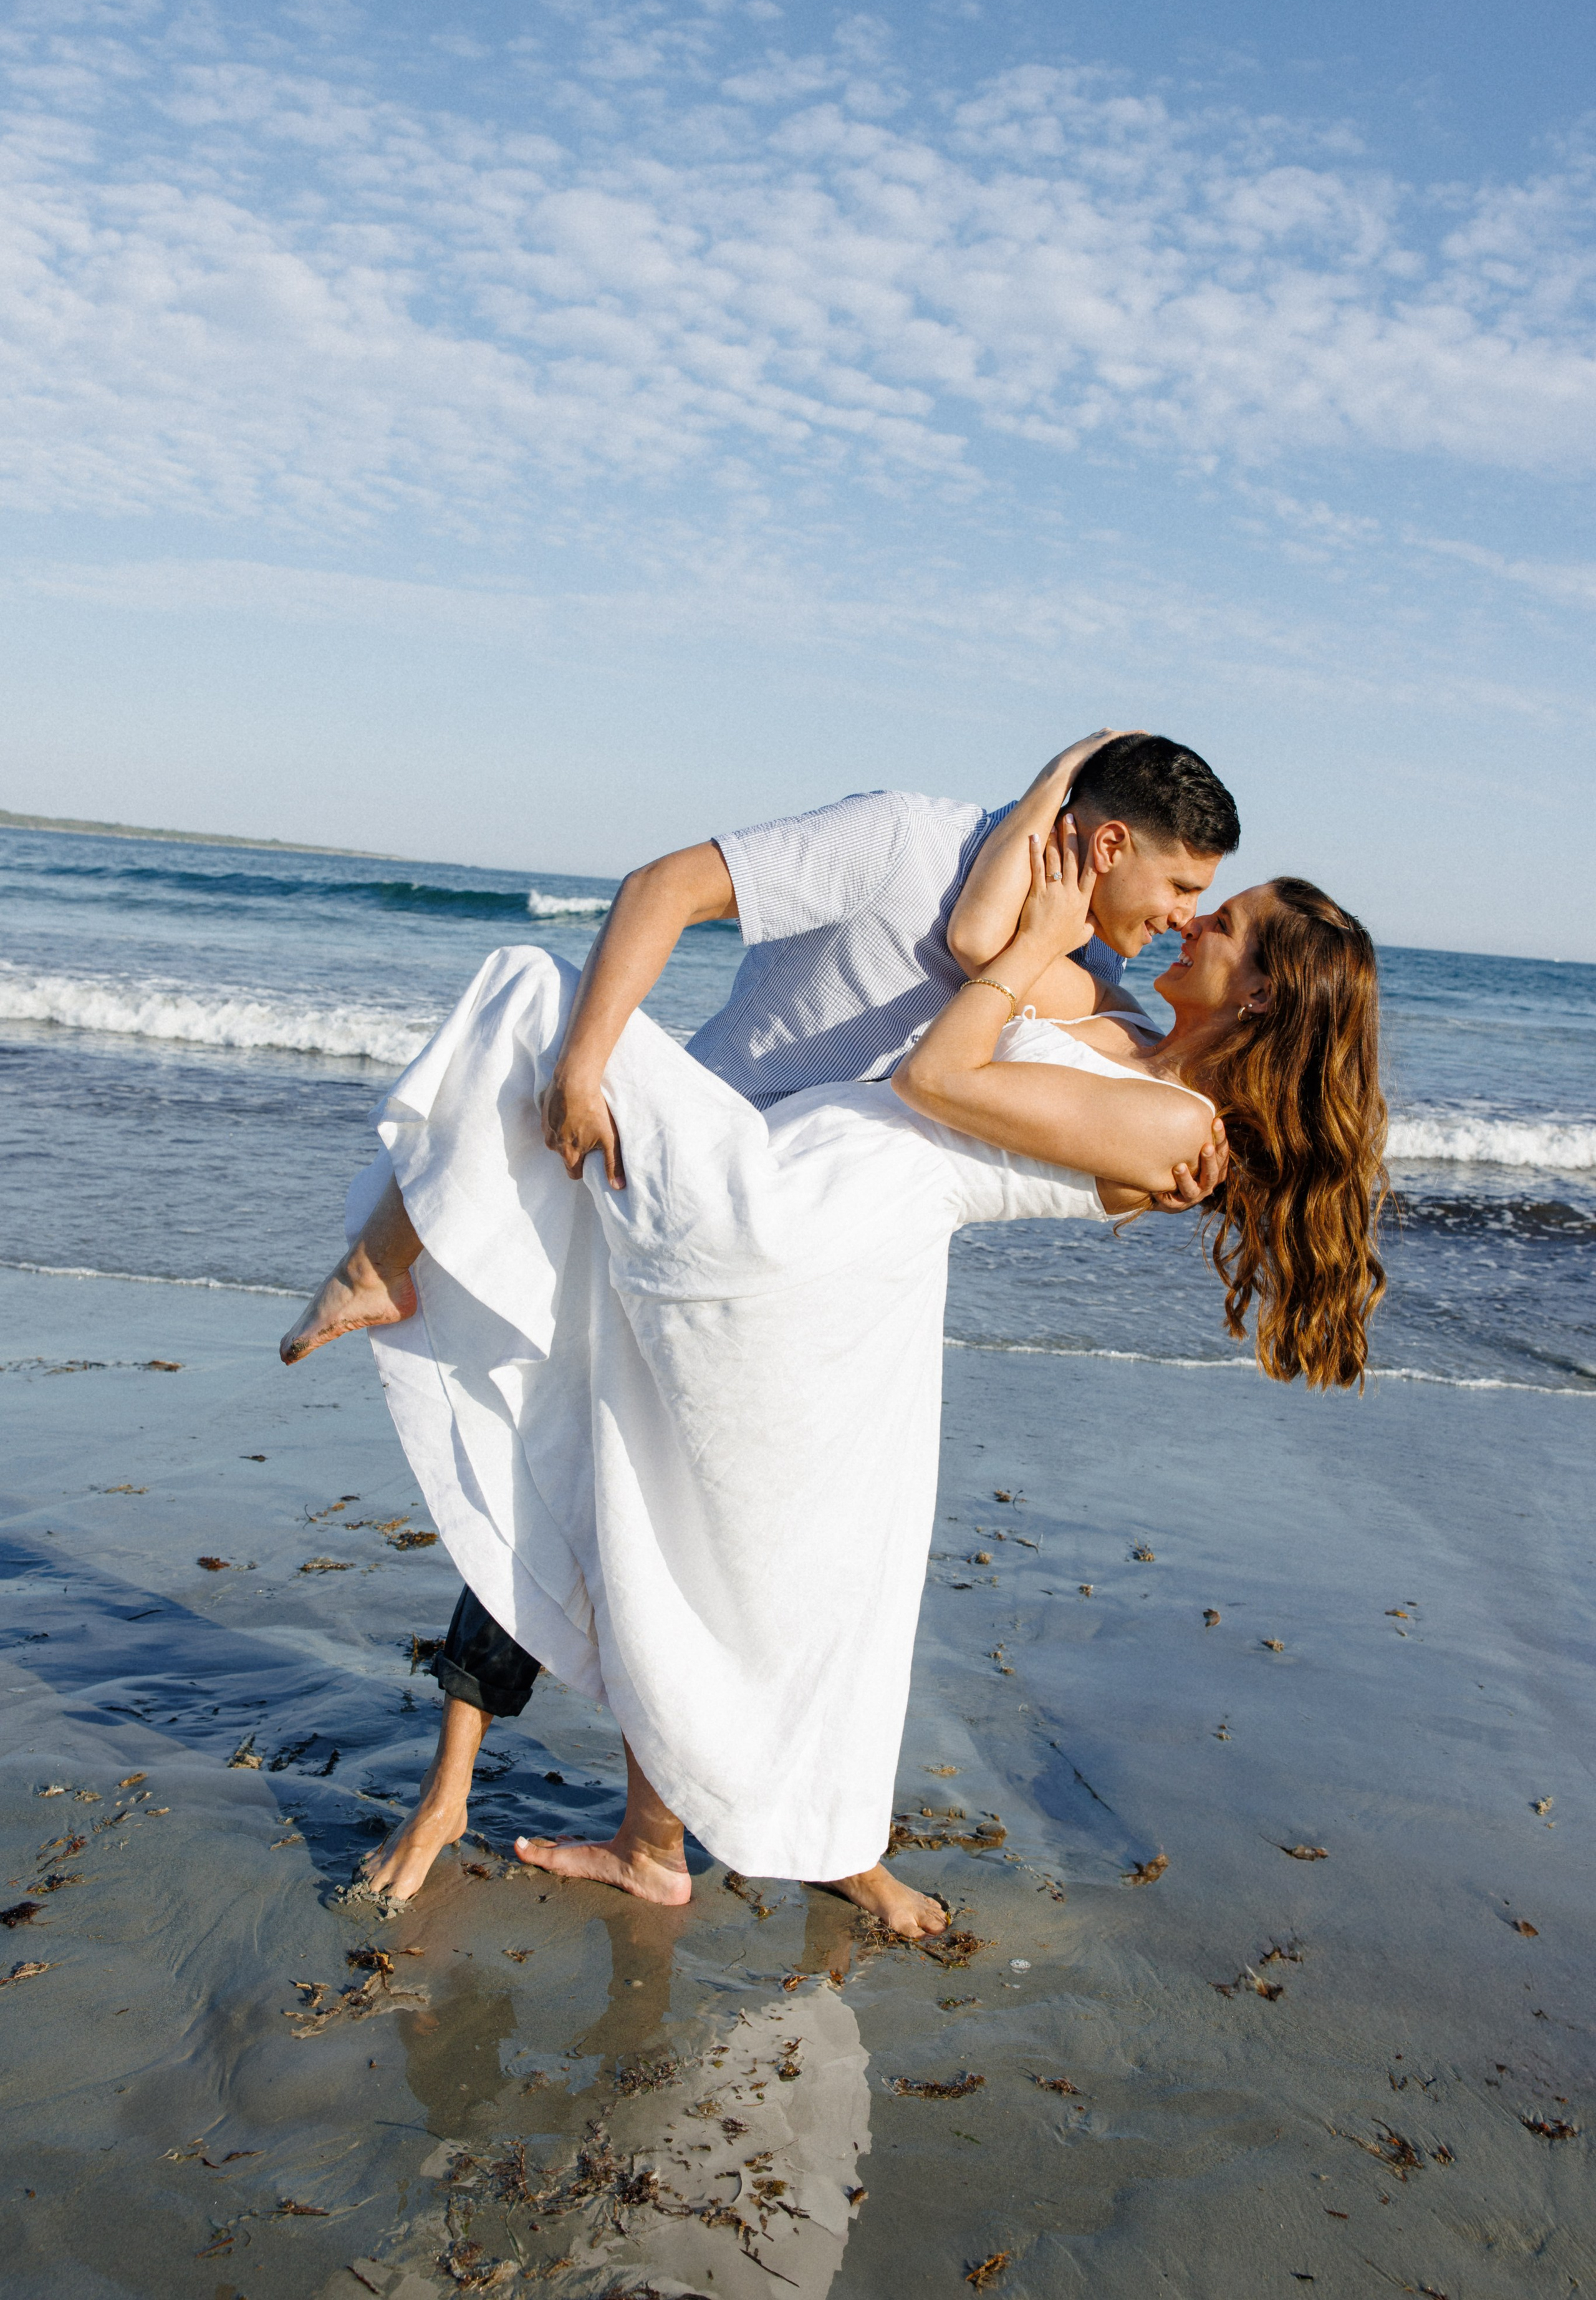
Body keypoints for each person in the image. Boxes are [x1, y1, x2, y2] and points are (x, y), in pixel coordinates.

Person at [279, 826, 1387, 1931]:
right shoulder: (1129, 1035)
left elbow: (934, 1077)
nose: (1192, 921)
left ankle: (381, 1267)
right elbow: (977, 938)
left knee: (531, 991)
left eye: (1225, 922)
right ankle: (657, 1840)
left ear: (1259, 996)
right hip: (816, 1215)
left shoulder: (1175, 1125)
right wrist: (1085, 778)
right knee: (689, 1518)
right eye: (1195, 895)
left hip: (788, 1219)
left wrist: (1028, 951)